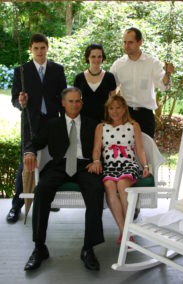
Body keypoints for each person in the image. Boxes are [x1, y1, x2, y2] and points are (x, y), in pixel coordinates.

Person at [23, 87, 104, 272]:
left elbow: (104, 147)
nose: (74, 105)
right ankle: (39, 247)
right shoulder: (53, 124)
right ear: (63, 103)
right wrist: (29, 152)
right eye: (70, 101)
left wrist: (97, 162)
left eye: (77, 101)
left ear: (82, 103)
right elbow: (34, 143)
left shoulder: (93, 124)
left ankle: (88, 248)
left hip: (85, 166)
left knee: (96, 190)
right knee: (41, 190)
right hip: (60, 165)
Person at [7, 33, 67, 223]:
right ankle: (16, 206)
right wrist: (21, 101)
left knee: (51, 160)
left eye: (43, 48)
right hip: (30, 123)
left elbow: (63, 98)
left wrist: (64, 122)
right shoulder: (22, 71)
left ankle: (49, 199)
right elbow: (15, 99)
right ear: (31, 49)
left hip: (51, 122)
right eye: (36, 48)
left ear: (47, 48)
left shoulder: (57, 70)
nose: (40, 52)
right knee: (26, 162)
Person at [88, 95, 149, 244]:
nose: (115, 111)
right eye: (111, 108)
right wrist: (96, 161)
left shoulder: (133, 125)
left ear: (124, 109)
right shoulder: (101, 127)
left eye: (118, 107)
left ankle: (126, 233)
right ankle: (125, 231)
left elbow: (140, 149)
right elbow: (96, 149)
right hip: (110, 166)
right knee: (109, 186)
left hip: (128, 164)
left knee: (122, 184)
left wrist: (145, 166)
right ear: (107, 110)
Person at [110, 27, 174, 138]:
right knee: (125, 151)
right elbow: (111, 89)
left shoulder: (152, 63)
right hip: (125, 114)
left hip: (145, 115)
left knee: (146, 152)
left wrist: (167, 73)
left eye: (130, 42)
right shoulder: (118, 64)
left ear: (140, 42)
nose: (126, 46)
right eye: (124, 42)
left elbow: (164, 86)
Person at [74, 43, 116, 122]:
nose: (96, 59)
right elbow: (75, 101)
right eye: (93, 56)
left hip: (105, 119)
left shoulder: (109, 77)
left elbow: (113, 101)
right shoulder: (79, 78)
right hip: (84, 120)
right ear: (87, 57)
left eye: (99, 56)